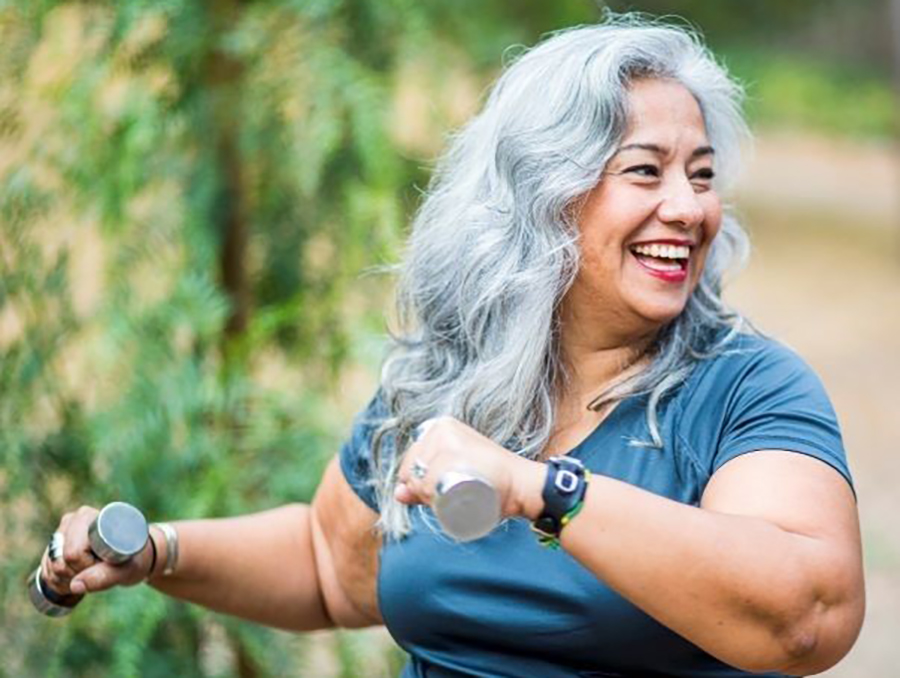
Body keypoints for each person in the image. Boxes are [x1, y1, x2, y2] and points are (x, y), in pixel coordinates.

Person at [41, 14, 864, 678]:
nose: (689, 208)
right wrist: (157, 551)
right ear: (544, 194)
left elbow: (806, 618)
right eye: (645, 172)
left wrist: (545, 492)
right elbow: (331, 564)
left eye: (703, 174)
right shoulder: (453, 373)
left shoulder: (748, 391)